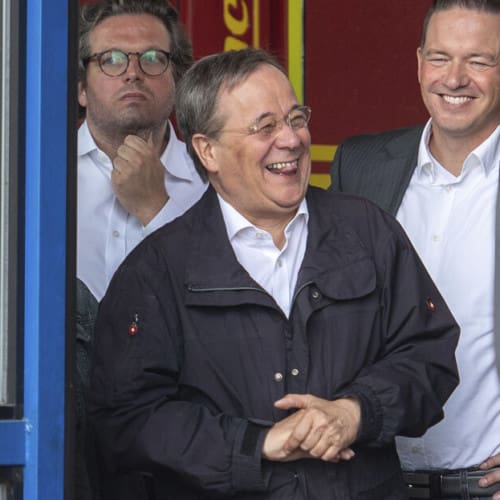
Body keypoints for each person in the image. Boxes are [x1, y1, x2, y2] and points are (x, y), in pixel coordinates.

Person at [89, 48, 459, 499]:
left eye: (296, 119)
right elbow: (128, 418)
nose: (291, 139)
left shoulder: (367, 231)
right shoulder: (156, 269)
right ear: (208, 150)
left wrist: (356, 412)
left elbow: (429, 355)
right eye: (265, 127)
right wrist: (256, 445)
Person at [329, 0, 500, 498]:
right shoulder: (360, 167)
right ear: (420, 63)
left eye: (479, 61)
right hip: (371, 483)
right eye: (441, 57)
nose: (455, 78)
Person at [77, 0, 208, 303]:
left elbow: (228, 301)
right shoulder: (38, 173)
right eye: (111, 59)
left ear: (178, 82)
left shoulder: (215, 178)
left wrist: (157, 209)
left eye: (152, 58)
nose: (133, 73)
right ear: (82, 89)